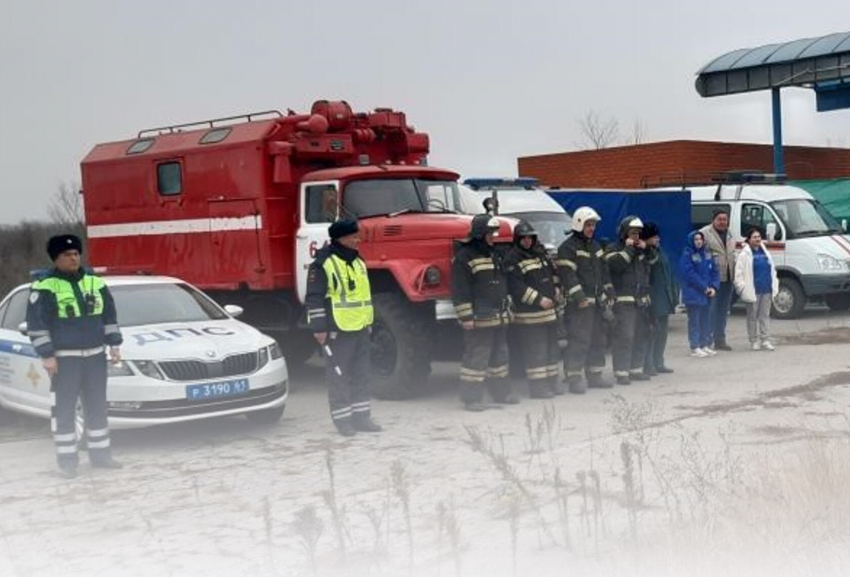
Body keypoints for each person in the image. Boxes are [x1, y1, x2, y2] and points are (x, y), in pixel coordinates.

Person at [26, 234, 124, 479]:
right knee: (65, 410)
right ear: (56, 258)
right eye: (67, 255)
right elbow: (37, 325)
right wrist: (47, 355)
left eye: (76, 254)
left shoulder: (94, 281)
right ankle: (67, 462)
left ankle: (101, 456)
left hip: (95, 357)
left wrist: (114, 344)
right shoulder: (44, 286)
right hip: (65, 360)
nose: (73, 258)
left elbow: (109, 316)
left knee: (97, 407)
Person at [305, 219, 382, 436]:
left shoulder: (358, 261)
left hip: (360, 327)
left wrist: (368, 323)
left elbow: (363, 295)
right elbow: (314, 298)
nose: (358, 240)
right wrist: (319, 329)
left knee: (362, 373)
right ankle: (343, 421)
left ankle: (362, 417)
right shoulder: (323, 264)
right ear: (342, 238)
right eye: (354, 236)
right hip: (337, 330)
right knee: (339, 377)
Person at [452, 214, 519, 411]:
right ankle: (471, 399)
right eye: (490, 233)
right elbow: (460, 289)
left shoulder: (494, 253)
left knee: (500, 356)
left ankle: (501, 392)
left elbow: (501, 282)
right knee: (477, 357)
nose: (493, 236)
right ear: (480, 233)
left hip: (498, 315)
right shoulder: (464, 257)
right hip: (479, 317)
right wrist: (466, 316)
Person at [556, 206, 614, 393]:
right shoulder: (567, 248)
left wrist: (609, 292)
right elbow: (568, 275)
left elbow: (604, 272)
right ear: (579, 224)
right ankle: (574, 378)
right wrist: (579, 297)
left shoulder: (595, 246)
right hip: (579, 305)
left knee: (598, 339)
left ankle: (595, 375)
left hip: (597, 303)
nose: (592, 228)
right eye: (588, 225)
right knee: (579, 340)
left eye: (594, 225)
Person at [504, 221, 562, 398]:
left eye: (530, 237)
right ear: (517, 239)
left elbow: (552, 274)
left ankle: (552, 382)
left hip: (549, 313)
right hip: (530, 316)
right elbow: (516, 287)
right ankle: (538, 388)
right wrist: (539, 300)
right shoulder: (512, 258)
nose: (527, 241)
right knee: (536, 352)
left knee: (552, 350)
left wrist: (557, 289)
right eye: (524, 238)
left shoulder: (540, 253)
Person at [604, 216, 657, 385]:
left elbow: (653, 260)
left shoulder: (641, 249)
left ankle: (636, 370)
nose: (636, 236)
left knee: (641, 335)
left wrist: (646, 248)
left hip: (640, 300)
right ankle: (621, 372)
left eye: (638, 233)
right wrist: (629, 249)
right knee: (625, 336)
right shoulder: (613, 248)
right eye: (633, 233)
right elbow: (616, 265)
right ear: (624, 233)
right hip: (623, 301)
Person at [641, 222, 678, 375]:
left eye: (657, 236)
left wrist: (673, 295)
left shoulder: (659, 250)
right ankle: (648, 364)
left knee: (662, 333)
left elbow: (668, 273)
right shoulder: (646, 253)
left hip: (664, 298)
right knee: (651, 333)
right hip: (653, 298)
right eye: (654, 237)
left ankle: (659, 362)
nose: (657, 239)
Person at [734, 227, 779, 351]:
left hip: (766, 289)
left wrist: (774, 284)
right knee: (752, 317)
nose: (757, 239)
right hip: (752, 290)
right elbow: (738, 274)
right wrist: (742, 288)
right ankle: (753, 341)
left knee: (765, 316)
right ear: (749, 240)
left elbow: (772, 269)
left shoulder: (765, 252)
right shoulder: (744, 254)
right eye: (754, 237)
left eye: (758, 237)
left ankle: (765, 340)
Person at [678, 231, 720, 357]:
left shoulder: (707, 253)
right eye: (696, 239)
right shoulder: (687, 254)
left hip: (706, 293)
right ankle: (695, 346)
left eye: (700, 239)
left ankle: (704, 344)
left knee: (705, 320)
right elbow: (689, 274)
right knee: (694, 321)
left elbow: (714, 271)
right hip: (693, 293)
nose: (699, 241)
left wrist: (714, 287)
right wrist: (704, 287)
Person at [700, 209, 737, 350]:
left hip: (728, 278)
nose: (722, 222)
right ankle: (706, 341)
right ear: (713, 220)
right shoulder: (704, 233)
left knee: (723, 311)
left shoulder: (730, 233)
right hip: (712, 280)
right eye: (719, 219)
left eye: (725, 219)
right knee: (711, 311)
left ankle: (720, 340)